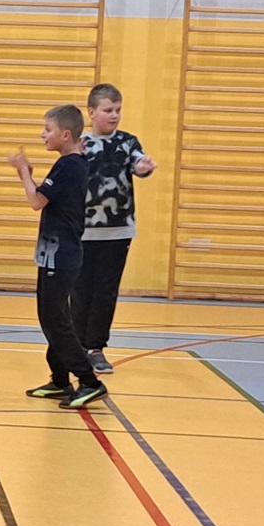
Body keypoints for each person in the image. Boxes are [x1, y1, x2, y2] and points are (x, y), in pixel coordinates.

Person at [8, 105, 107, 410]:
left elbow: (36, 201)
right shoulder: (70, 164)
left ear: (65, 135)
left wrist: (24, 173)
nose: (43, 134)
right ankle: (60, 379)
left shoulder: (69, 166)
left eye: (47, 129)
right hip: (54, 253)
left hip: (61, 255)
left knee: (55, 319)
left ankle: (89, 381)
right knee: (51, 317)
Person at [71, 83, 157, 374]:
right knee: (80, 290)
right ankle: (76, 346)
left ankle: (96, 347)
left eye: (118, 110)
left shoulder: (128, 142)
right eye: (108, 110)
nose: (115, 115)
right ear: (92, 112)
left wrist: (143, 167)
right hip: (83, 231)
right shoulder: (81, 144)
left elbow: (138, 163)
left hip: (118, 231)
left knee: (105, 292)